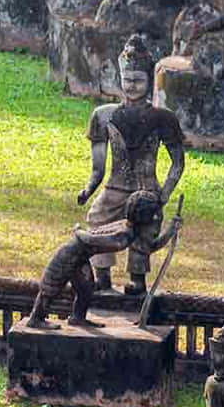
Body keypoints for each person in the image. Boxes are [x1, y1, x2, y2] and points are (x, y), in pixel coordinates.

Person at [77, 34, 185, 294]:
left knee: (145, 229)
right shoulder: (103, 116)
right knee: (97, 218)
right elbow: (98, 168)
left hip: (147, 188)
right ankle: (102, 276)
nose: (132, 85)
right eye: (127, 80)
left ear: (148, 82)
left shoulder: (163, 118)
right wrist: (89, 189)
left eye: (138, 80)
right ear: (119, 79)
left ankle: (137, 279)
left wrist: (164, 194)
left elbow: (178, 163)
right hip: (115, 186)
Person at [27, 192, 179, 329]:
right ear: (144, 218)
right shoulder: (123, 237)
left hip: (80, 258)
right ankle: (36, 318)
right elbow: (91, 239)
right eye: (154, 216)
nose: (156, 219)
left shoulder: (128, 228)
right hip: (69, 255)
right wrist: (78, 231)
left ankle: (78, 317)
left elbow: (149, 248)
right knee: (51, 288)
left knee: (86, 289)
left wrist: (171, 230)